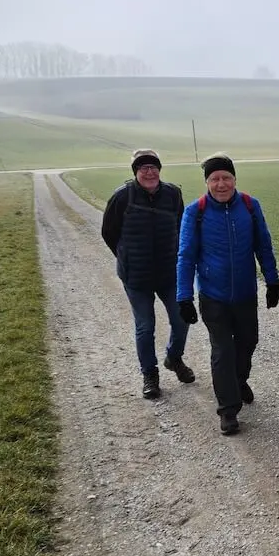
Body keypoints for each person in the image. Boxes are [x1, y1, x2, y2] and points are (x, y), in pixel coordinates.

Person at [176, 153, 279, 436]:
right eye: (215, 179)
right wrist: (184, 297)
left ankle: (238, 380)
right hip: (213, 296)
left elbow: (263, 245)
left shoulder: (249, 206)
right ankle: (228, 409)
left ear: (234, 179)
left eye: (226, 177)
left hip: (245, 294)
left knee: (248, 342)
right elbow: (186, 256)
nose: (221, 184)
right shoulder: (195, 212)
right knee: (222, 350)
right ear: (207, 182)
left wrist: (272, 281)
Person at [101, 149, 195, 399]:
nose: (149, 172)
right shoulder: (122, 197)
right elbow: (108, 232)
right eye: (143, 168)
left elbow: (181, 226)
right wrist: (126, 257)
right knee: (145, 326)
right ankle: (150, 375)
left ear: (160, 170)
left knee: (181, 320)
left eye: (153, 167)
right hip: (136, 276)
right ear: (136, 172)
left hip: (169, 273)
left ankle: (174, 358)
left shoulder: (173, 194)